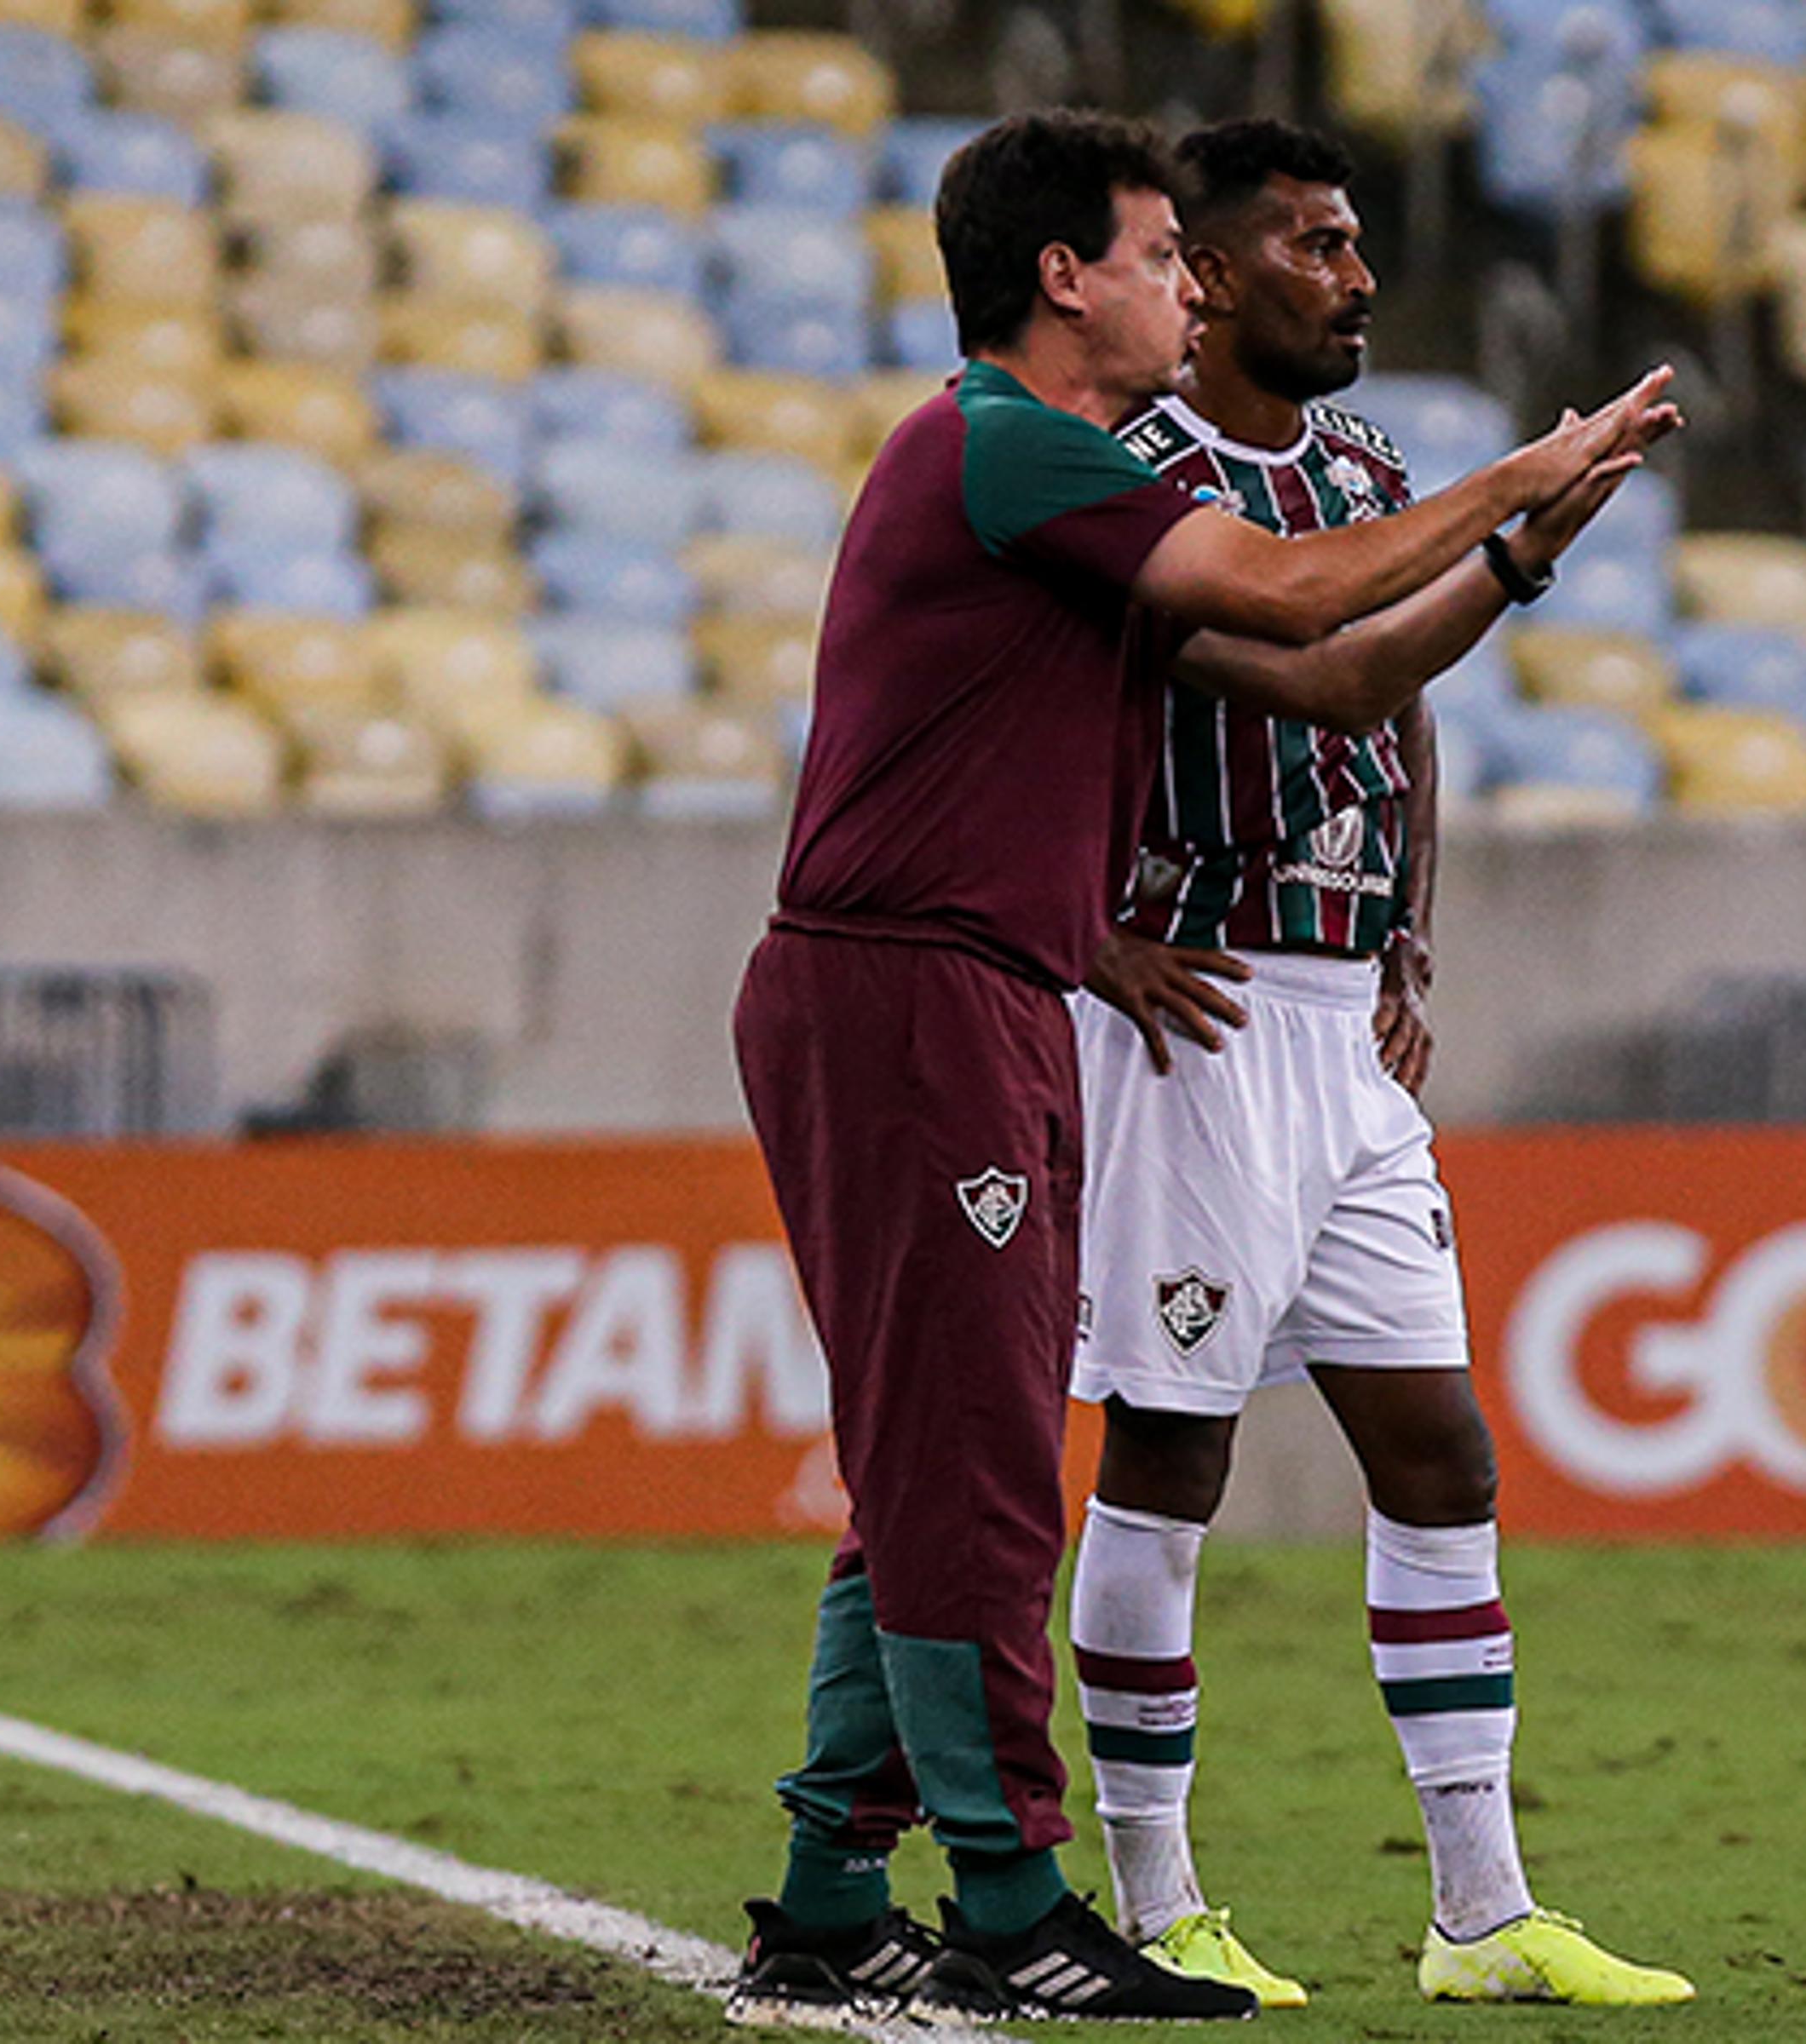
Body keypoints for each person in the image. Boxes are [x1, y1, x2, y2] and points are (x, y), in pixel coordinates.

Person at [725, 107, 1672, 2029]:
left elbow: (1332, 686)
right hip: (924, 993)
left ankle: (833, 1892)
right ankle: (1011, 1898)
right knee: (989, 1464)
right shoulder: (1011, 449)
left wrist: (1520, 549)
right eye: (1163, 255)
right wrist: (1524, 466)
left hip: (974, 990)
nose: (1185, 286)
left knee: (933, 1458)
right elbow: (1312, 599)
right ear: (1067, 276)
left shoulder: (1035, 475)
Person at [1056, 118, 1694, 2011]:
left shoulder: (1359, 464)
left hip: (1343, 1021)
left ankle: (1482, 1914)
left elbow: (1392, 706)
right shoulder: (1133, 479)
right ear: (1222, 275)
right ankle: (1160, 1901)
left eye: (1357, 240)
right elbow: (1294, 668)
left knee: (1440, 1453)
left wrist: (1408, 918)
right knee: (1169, 1461)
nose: (1355, 275)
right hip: (1199, 1015)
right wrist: (1085, 931)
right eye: (1317, 248)